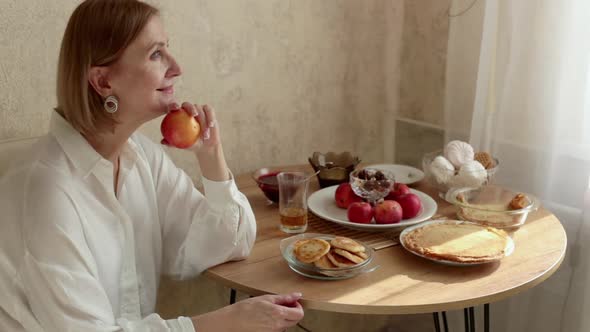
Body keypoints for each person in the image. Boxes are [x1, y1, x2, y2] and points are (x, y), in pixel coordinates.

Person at [0, 0, 304, 331]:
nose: (177, 68)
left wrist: (210, 154)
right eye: (156, 54)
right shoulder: (47, 193)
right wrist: (225, 322)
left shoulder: (141, 157)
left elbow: (228, 245)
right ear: (103, 83)